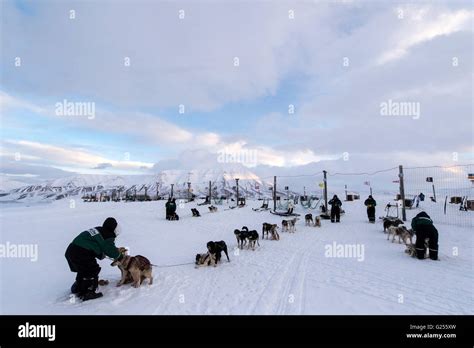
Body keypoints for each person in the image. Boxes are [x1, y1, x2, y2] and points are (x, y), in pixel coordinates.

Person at [65, 217, 124, 301]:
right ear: (114, 231)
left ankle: (78, 287)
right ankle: (88, 292)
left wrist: (100, 254)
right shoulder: (108, 235)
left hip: (71, 250)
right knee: (92, 270)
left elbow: (94, 244)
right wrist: (119, 256)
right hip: (81, 252)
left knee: (84, 270)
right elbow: (109, 249)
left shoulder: (98, 230)